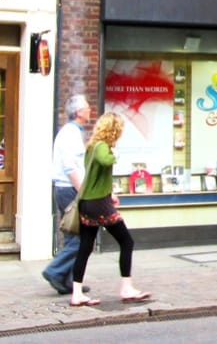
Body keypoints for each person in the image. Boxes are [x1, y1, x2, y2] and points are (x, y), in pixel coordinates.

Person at [70, 111, 150, 306]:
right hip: (98, 204)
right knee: (126, 241)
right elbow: (106, 160)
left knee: (85, 247)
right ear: (113, 130)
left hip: (89, 201)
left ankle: (77, 293)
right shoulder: (101, 147)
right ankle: (126, 287)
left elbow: (96, 177)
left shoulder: (91, 146)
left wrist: (109, 193)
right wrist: (115, 154)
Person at [42, 94, 92, 295]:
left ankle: (69, 280)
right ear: (79, 112)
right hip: (69, 189)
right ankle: (55, 270)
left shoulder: (71, 133)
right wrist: (83, 192)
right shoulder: (70, 135)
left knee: (74, 235)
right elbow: (71, 167)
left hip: (65, 189)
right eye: (87, 108)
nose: (90, 110)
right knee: (79, 238)